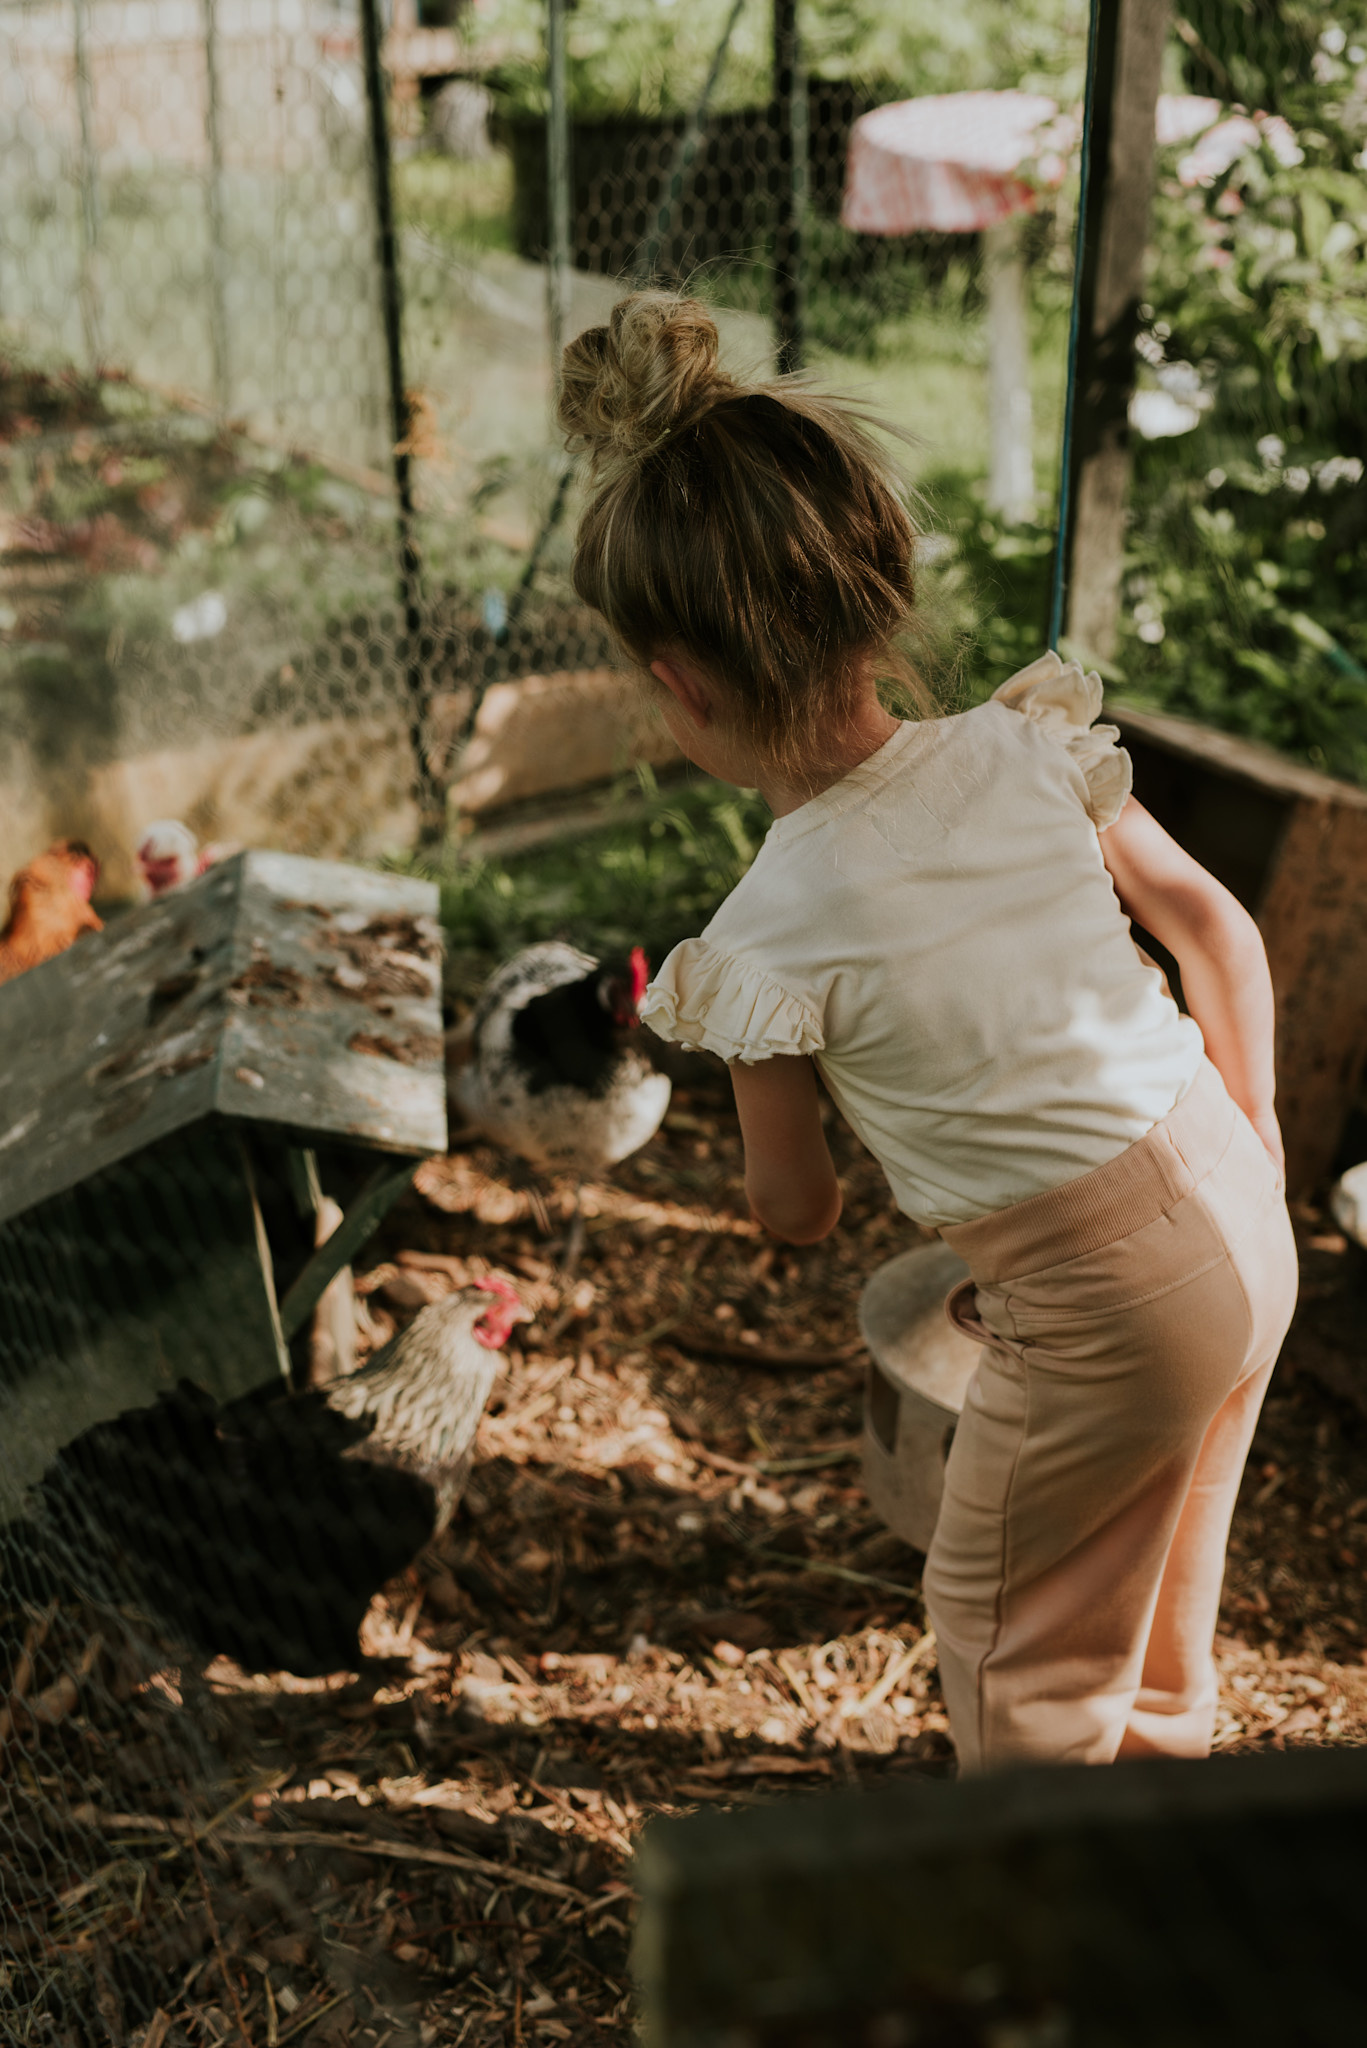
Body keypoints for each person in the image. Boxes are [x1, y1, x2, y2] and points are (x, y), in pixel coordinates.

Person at [558, 291, 1297, 1771]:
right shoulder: (1027, 746)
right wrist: (1255, 1134)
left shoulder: (765, 936)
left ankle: (1033, 1896)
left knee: (1007, 1623)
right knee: (1164, 1559)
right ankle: (1170, 1814)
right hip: (1236, 1192)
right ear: (882, 580)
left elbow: (796, 1208)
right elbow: (1217, 932)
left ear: (676, 685)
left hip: (1093, 1308)